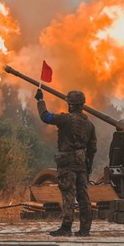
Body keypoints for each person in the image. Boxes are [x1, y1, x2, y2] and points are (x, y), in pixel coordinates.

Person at [35, 88, 97, 237]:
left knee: (68, 194)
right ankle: (85, 229)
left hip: (67, 163)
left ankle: (66, 227)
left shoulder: (65, 119)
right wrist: (88, 165)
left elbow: (46, 117)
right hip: (82, 164)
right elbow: (93, 148)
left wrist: (40, 101)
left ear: (71, 104)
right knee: (83, 196)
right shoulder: (90, 125)